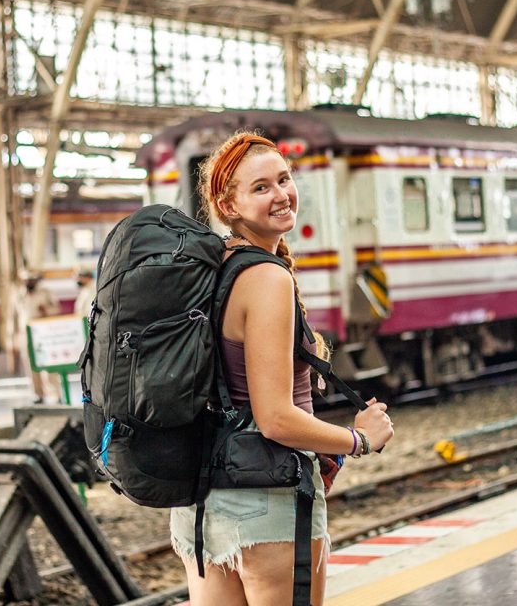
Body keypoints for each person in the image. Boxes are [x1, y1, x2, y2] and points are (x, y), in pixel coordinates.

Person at [168, 132, 395, 606]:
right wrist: (359, 440)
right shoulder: (266, 278)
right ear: (227, 205)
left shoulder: (212, 268)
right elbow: (275, 418)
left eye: (284, 179)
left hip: (200, 505)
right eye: (260, 187)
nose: (281, 194)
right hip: (264, 505)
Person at [15, 270, 60, 403]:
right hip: (25, 333)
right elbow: (14, 316)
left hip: (43, 333)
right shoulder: (19, 294)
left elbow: (56, 310)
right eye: (26, 280)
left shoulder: (46, 293)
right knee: (30, 365)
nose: (28, 283)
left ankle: (55, 394)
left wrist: (46, 310)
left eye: (31, 280)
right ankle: (38, 394)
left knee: (48, 364)